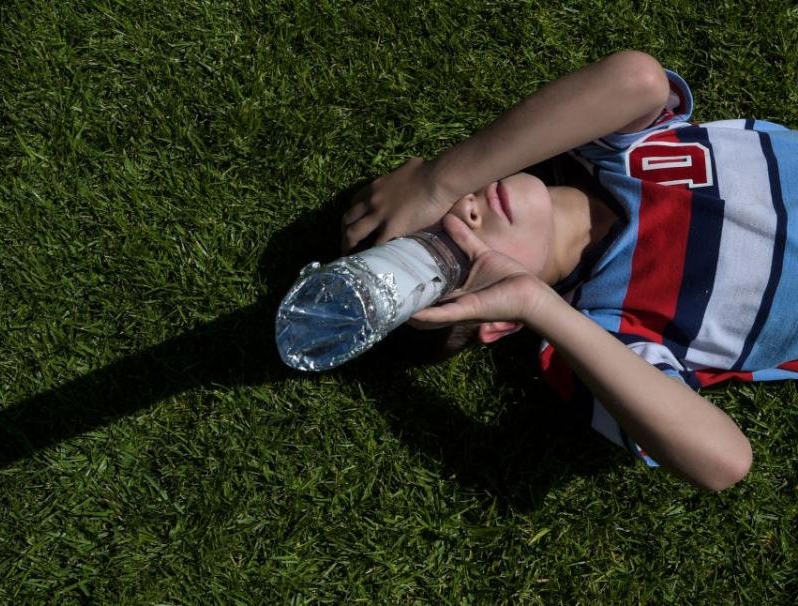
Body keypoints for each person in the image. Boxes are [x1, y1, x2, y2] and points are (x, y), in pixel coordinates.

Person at [341, 50, 798, 492]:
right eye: (451, 246)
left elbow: (639, 79)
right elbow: (724, 462)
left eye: (440, 209)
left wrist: (437, 180)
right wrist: (537, 306)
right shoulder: (604, 329)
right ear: (499, 319)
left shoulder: (608, 152)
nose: (464, 210)